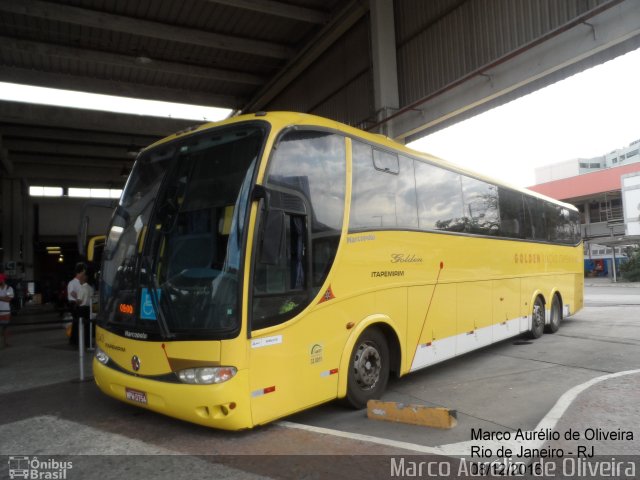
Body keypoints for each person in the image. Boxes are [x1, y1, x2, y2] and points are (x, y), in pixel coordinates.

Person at [67, 262, 86, 346]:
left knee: (77, 323)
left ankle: (76, 339)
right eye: (83, 272)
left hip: (79, 304)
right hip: (74, 304)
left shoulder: (80, 282)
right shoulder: (72, 282)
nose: (84, 274)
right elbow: (72, 293)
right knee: (76, 323)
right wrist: (80, 298)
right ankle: (74, 340)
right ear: (80, 272)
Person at [0, 273, 14, 348]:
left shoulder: (9, 288)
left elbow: (9, 299)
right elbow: (6, 298)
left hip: (5, 311)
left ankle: (5, 343)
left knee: (5, 328)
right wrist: (3, 297)